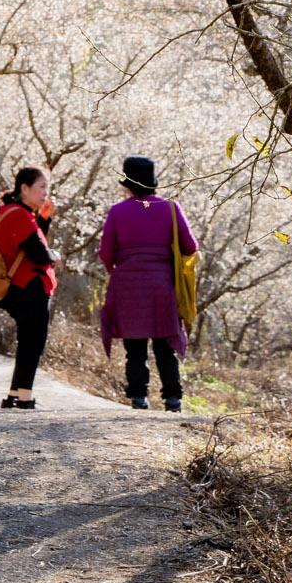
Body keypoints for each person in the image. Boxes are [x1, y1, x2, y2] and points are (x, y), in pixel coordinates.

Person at [98, 155, 199, 411]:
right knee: (165, 347)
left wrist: (117, 272)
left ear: (127, 183)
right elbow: (191, 246)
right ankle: (173, 399)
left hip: (128, 286)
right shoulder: (171, 208)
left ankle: (138, 397)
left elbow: (106, 253)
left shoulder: (117, 211)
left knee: (135, 348)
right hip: (162, 286)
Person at [0, 164, 59, 410]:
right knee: (33, 341)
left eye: (47, 187)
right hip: (30, 287)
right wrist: (54, 255)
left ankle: (15, 393)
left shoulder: (14, 212)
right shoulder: (20, 215)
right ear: (24, 188)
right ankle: (25, 397)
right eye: (41, 187)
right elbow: (39, 255)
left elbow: (31, 244)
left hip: (21, 287)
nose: (45, 193)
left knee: (28, 340)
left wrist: (44, 219)